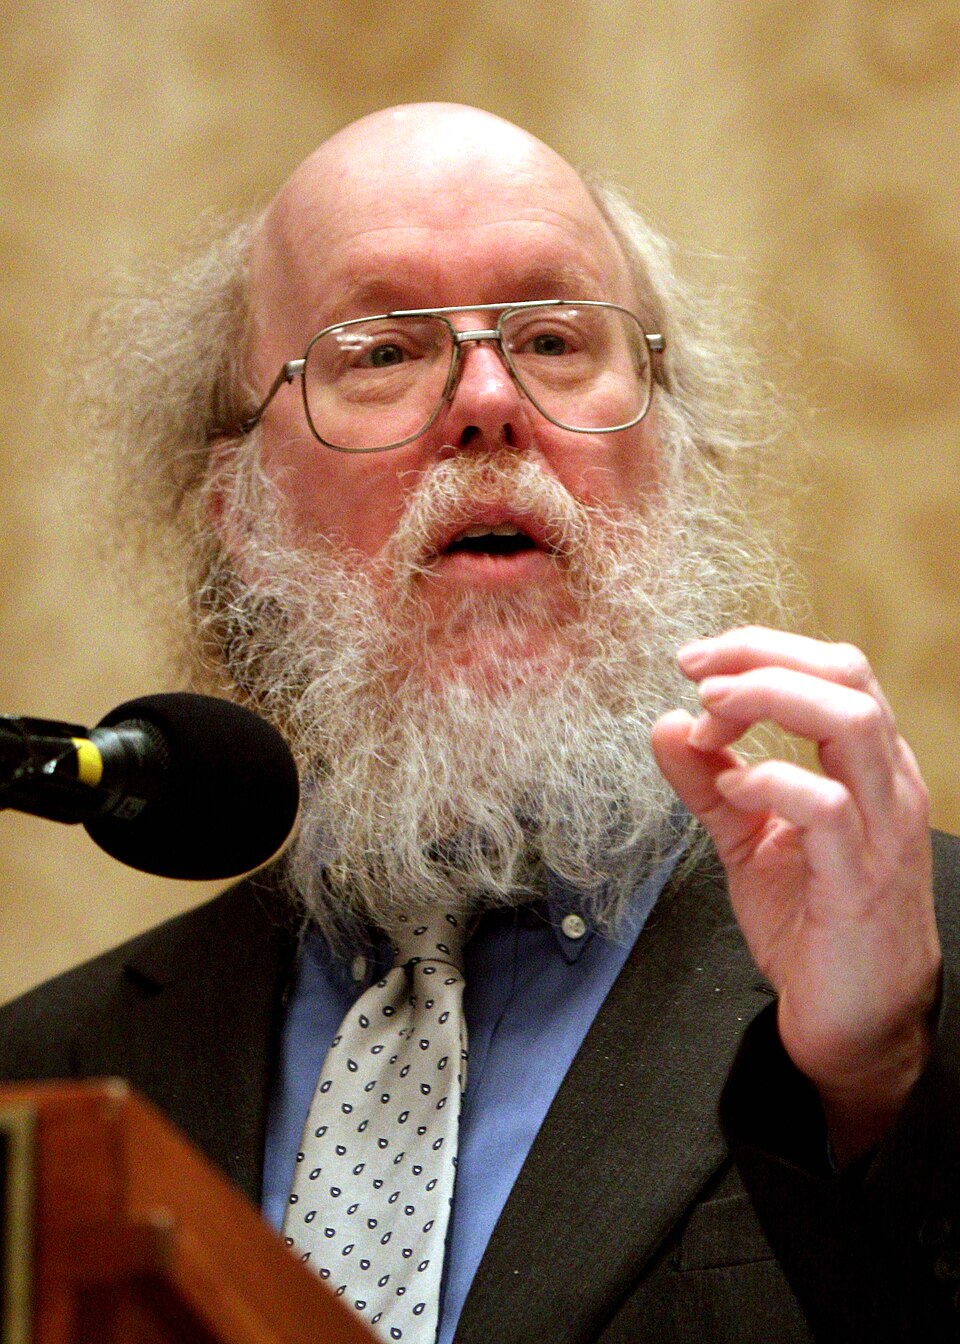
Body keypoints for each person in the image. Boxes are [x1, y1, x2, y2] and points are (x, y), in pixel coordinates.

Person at [1, 103, 957, 1343]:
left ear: (671, 456)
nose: (491, 401)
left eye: (555, 339)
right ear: (239, 506)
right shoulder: (47, 1072)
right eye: (381, 353)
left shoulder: (922, 979)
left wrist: (879, 1090)